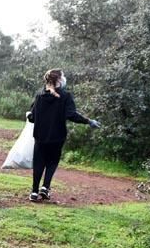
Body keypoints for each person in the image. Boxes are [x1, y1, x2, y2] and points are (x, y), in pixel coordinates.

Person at [26, 68, 101, 202]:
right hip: (57, 136)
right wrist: (89, 121)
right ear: (59, 80)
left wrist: (29, 115)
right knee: (52, 162)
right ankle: (45, 187)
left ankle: (34, 191)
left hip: (40, 136)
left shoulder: (39, 95)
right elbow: (71, 115)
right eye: (63, 76)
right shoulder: (66, 96)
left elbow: (32, 117)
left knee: (38, 163)